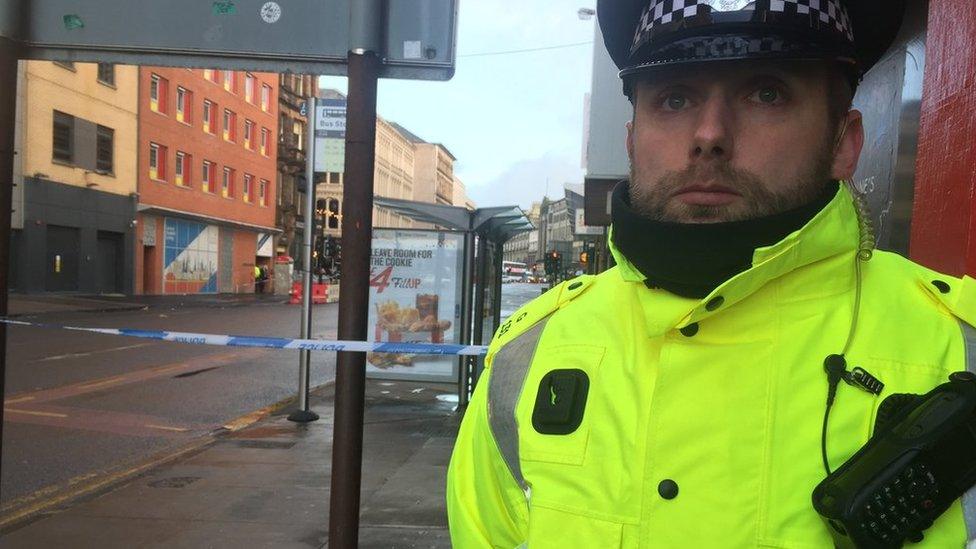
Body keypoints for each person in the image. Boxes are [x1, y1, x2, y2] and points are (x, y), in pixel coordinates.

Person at [447, 0, 976, 546]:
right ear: (631, 139)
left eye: (766, 93)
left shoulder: (960, 347)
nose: (709, 134)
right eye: (674, 99)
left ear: (844, 142)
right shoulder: (528, 354)